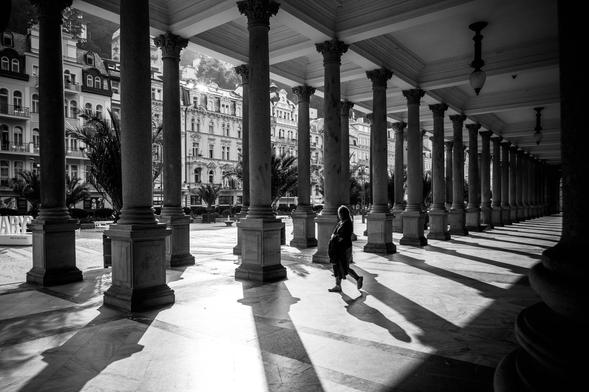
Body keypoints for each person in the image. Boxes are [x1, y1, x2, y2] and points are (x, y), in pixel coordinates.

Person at [328, 205, 363, 293]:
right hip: (338, 248)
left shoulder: (347, 223)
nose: (339, 215)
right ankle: (338, 285)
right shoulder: (341, 222)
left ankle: (358, 278)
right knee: (337, 265)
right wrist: (335, 237)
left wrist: (335, 237)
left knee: (343, 267)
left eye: (339, 213)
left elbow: (341, 237)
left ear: (343, 213)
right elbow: (334, 234)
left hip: (344, 248)